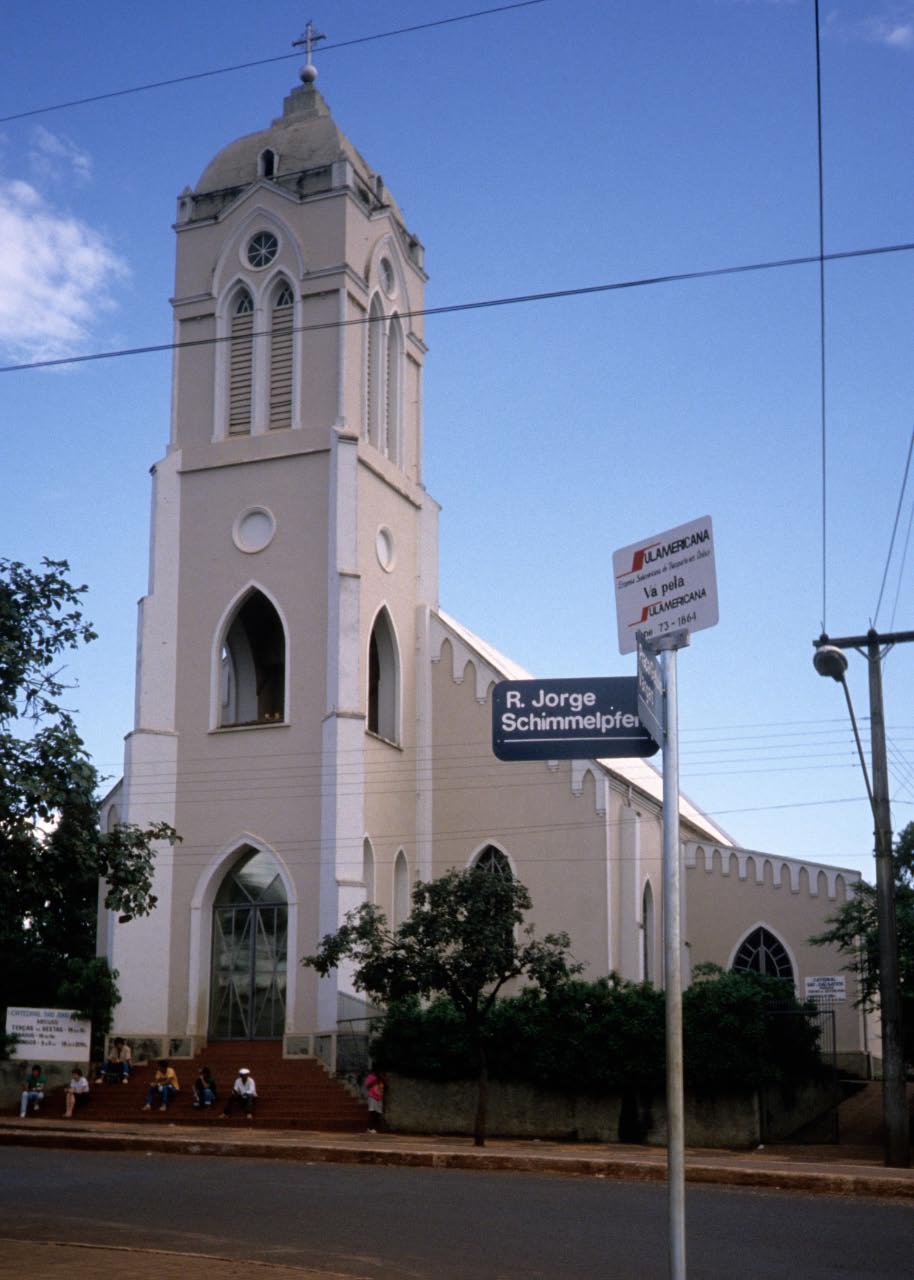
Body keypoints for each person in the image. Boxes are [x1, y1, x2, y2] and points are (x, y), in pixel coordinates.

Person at [364, 1068, 385, 1133]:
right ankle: (370, 1128)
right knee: (372, 1112)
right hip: (372, 1097)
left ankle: (375, 1128)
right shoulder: (370, 1077)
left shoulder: (382, 1079)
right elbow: (367, 1086)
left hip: (379, 1097)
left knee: (378, 1113)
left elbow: (386, 1087)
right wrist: (375, 1080)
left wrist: (382, 1080)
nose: (379, 1073)